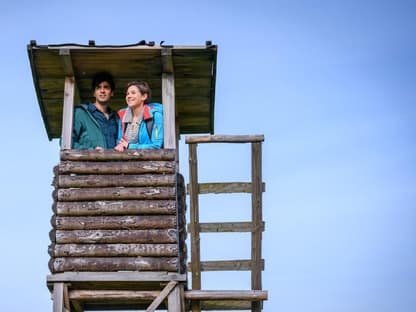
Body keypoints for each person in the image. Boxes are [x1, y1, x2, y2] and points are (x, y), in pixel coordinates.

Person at [71, 72, 118, 149]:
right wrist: (91, 151)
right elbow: (65, 141)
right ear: (94, 93)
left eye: (106, 87)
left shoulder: (116, 118)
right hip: (89, 160)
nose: (102, 90)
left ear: (112, 93)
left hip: (114, 160)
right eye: (98, 87)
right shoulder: (81, 113)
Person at [114, 81, 163, 151]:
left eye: (133, 93)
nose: (129, 96)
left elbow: (156, 146)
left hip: (150, 161)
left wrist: (129, 146)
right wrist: (120, 146)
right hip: (127, 161)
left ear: (144, 96)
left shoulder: (155, 116)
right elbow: (120, 143)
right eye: (127, 94)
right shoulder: (122, 118)